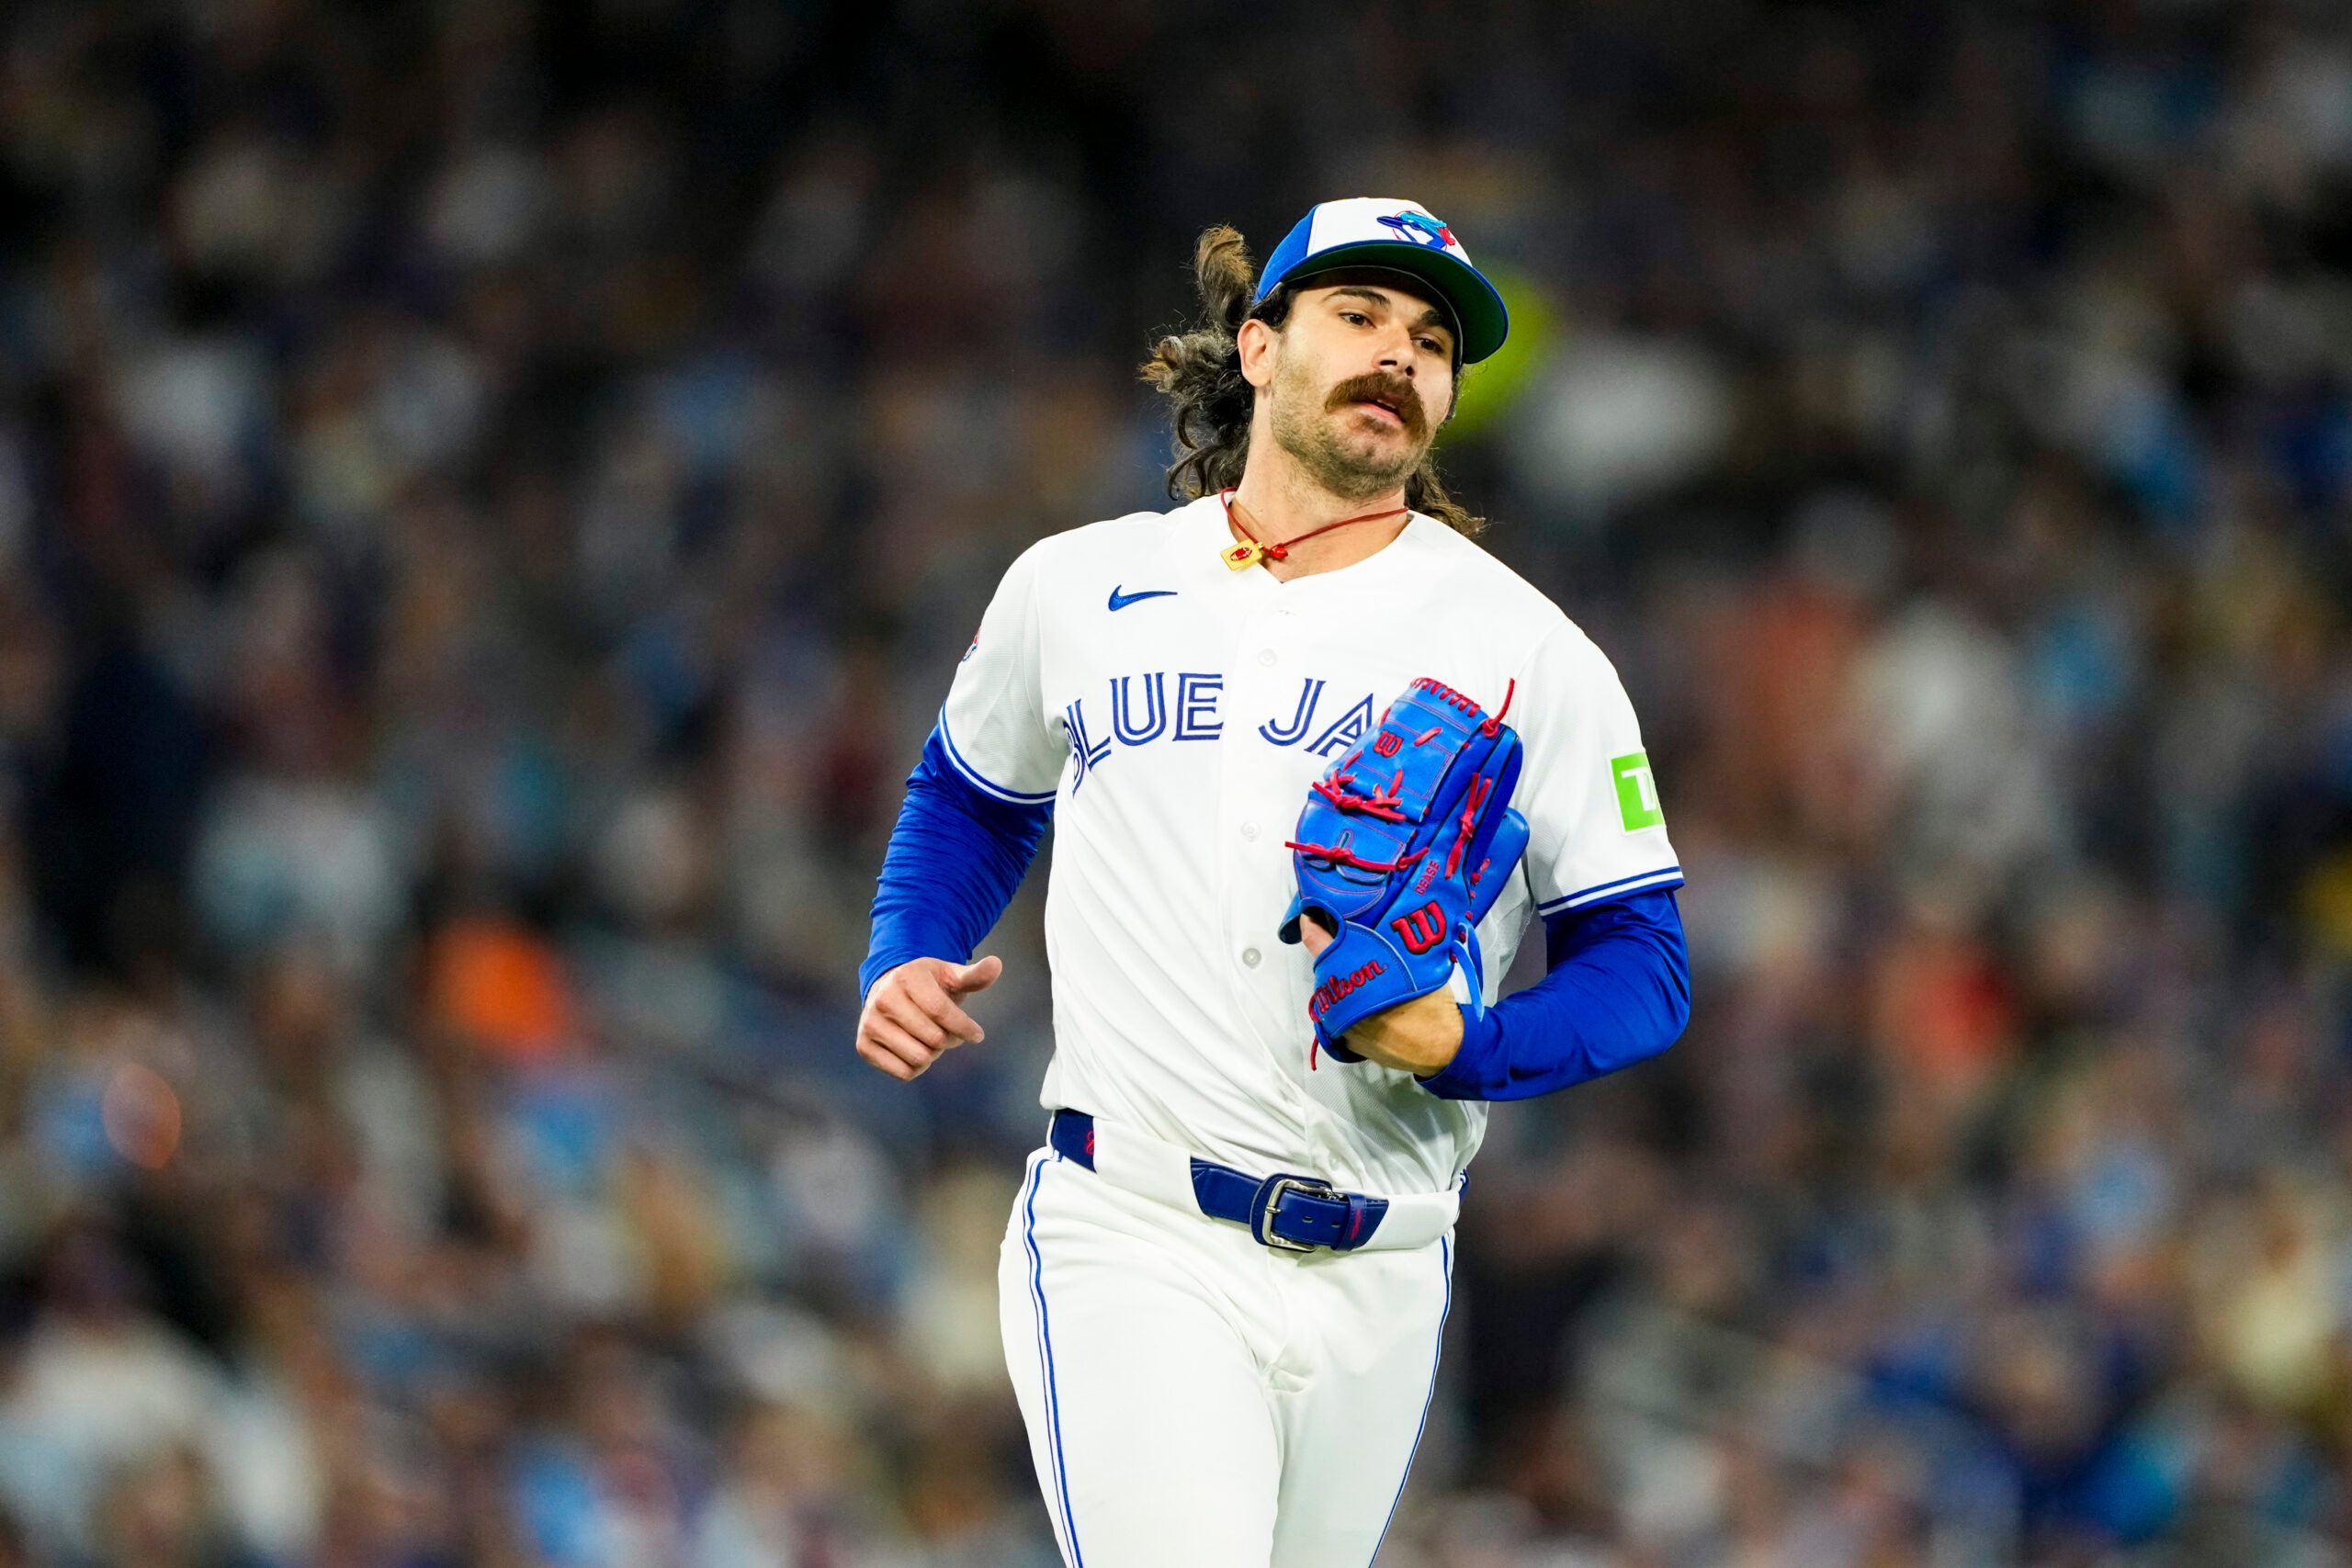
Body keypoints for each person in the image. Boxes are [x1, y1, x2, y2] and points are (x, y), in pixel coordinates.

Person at [856, 198, 1691, 1568]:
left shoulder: (1530, 651)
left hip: (1388, 1267)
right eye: (1357, 318)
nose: (1397, 357)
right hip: (1136, 1229)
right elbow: (969, 789)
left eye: (1431, 342)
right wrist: (909, 943)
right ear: (1257, 347)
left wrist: (1471, 1044)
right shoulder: (1081, 586)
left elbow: (1644, 966)